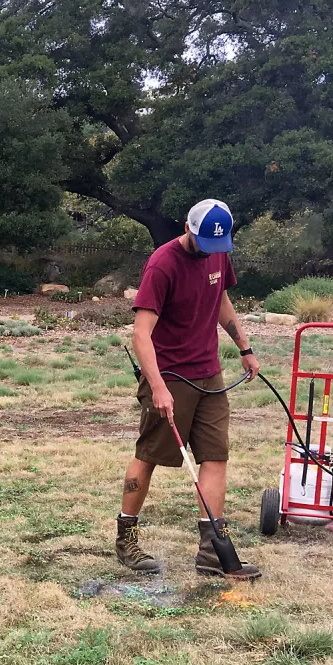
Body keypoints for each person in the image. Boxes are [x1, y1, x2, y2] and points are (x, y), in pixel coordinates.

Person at [117, 199, 262, 579]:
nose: (212, 251)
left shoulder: (218, 252)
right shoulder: (163, 264)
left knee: (215, 457)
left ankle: (212, 550)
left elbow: (221, 302)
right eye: (205, 242)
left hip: (209, 375)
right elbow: (141, 334)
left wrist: (245, 348)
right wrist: (157, 386)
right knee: (149, 454)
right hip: (170, 377)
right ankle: (126, 538)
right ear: (187, 228)